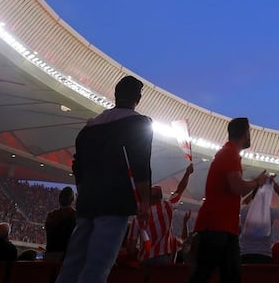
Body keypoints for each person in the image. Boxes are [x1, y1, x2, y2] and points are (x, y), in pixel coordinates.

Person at [55, 75, 153, 283]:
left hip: (87, 203)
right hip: (114, 204)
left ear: (116, 95)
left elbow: (77, 167)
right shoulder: (139, 124)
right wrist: (144, 202)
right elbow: (141, 166)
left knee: (73, 263)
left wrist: (83, 192)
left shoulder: (88, 128)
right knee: (98, 266)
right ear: (138, 98)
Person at [189, 117, 266, 283]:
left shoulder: (228, 153)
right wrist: (257, 182)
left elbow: (234, 191)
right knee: (208, 275)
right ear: (245, 134)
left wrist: (254, 186)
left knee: (218, 275)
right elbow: (237, 187)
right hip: (217, 227)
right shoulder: (230, 154)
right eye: (249, 132)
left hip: (221, 227)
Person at [129, 163, 193, 265]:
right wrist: (187, 173)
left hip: (145, 259)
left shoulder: (138, 218)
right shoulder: (167, 206)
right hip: (164, 257)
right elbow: (180, 189)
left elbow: (131, 248)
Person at [239, 174, 279, 264]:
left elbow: (244, 202)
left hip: (245, 255)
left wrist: (257, 187)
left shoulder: (244, 211)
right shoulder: (269, 212)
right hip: (264, 256)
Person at [44, 186, 76, 261]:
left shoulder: (51, 215)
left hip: (49, 256)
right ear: (72, 200)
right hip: (65, 258)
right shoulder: (75, 216)